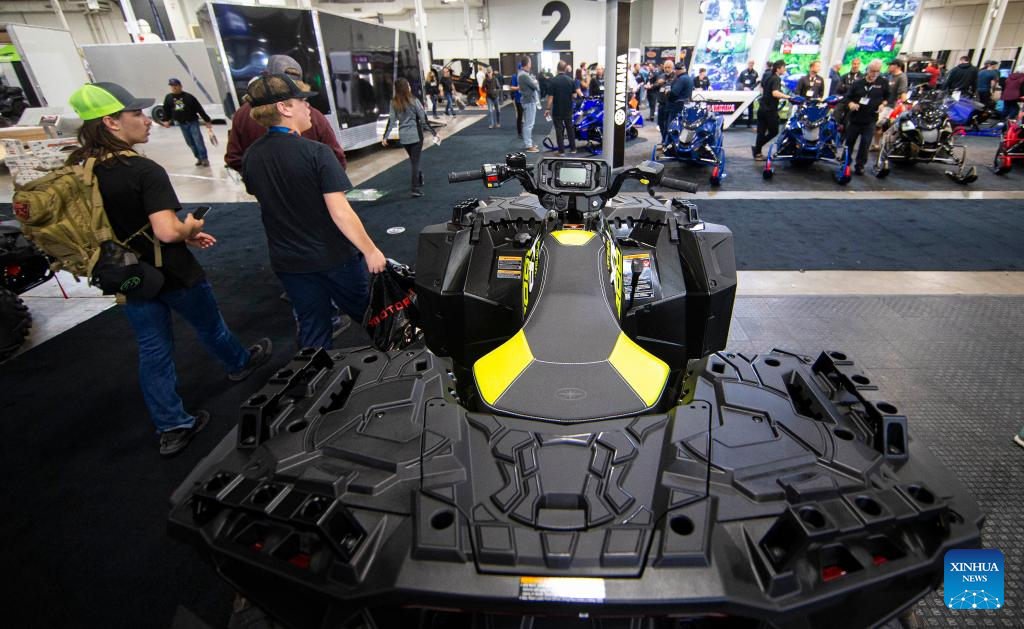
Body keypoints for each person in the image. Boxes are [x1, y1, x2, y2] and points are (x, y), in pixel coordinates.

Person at [66, 81, 272, 457]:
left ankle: (172, 426)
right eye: (136, 114)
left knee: (153, 349)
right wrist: (189, 228)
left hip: (127, 275)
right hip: (173, 272)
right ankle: (240, 363)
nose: (147, 120)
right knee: (210, 326)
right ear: (111, 122)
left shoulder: (82, 170)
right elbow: (165, 230)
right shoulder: (142, 170)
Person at [242, 73, 386, 352]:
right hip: (334, 258)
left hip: (289, 262)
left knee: (313, 330)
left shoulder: (251, 156)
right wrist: (370, 251)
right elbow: (340, 212)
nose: (308, 107)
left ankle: (316, 377)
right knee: (375, 318)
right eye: (301, 101)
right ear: (284, 108)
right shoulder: (317, 153)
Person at [226, 55, 346, 172]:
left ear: (264, 77)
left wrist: (260, 178)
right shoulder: (312, 115)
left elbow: (233, 158)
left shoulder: (242, 114)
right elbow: (337, 160)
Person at [382, 78, 437, 197]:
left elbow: (391, 121)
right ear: (406, 88)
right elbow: (423, 120)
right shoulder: (414, 101)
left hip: (404, 137)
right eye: (408, 85)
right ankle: (415, 188)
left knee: (414, 159)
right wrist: (434, 133)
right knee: (415, 162)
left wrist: (385, 137)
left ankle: (420, 177)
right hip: (416, 136)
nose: (410, 87)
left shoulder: (393, 102)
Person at [845, 59, 889, 175]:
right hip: (855, 118)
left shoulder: (883, 83)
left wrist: (883, 104)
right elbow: (847, 97)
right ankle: (845, 162)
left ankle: (860, 165)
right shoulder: (858, 83)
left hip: (870, 119)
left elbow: (887, 97)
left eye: (877, 71)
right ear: (867, 70)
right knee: (849, 143)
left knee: (865, 144)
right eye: (872, 71)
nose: (874, 73)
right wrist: (851, 104)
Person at [158, 78, 213, 167]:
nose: (173, 88)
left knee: (198, 140)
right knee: (190, 142)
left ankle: (204, 158)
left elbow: (199, 109)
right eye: (172, 86)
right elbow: (166, 110)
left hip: (192, 122)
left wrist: (207, 120)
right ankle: (198, 158)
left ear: (180, 86)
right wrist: (166, 120)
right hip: (181, 123)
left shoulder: (188, 97)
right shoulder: (169, 98)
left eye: (175, 85)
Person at [753, 60, 790, 160]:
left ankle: (757, 153)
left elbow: (763, 87)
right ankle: (757, 149)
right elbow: (775, 93)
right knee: (774, 131)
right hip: (770, 110)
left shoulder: (767, 75)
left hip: (762, 108)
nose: (785, 69)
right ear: (778, 68)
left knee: (761, 132)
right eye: (784, 67)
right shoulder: (776, 78)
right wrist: (787, 96)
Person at [545, 60, 576, 154]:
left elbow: (550, 97)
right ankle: (573, 149)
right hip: (568, 109)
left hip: (557, 110)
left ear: (557, 68)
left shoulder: (553, 81)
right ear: (565, 69)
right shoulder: (571, 80)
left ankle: (561, 151)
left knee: (559, 130)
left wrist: (547, 109)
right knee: (570, 128)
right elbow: (574, 95)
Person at [517, 56, 541, 153]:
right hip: (529, 101)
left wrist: (534, 80)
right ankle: (528, 145)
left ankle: (529, 143)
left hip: (528, 101)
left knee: (528, 124)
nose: (531, 64)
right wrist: (535, 81)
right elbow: (536, 86)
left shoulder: (523, 74)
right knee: (529, 124)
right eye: (530, 62)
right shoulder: (524, 75)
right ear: (527, 64)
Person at [655, 60, 675, 144]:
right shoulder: (661, 76)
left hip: (670, 105)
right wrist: (659, 84)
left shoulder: (675, 77)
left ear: (672, 68)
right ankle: (664, 139)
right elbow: (654, 86)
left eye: (669, 67)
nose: (667, 69)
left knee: (668, 124)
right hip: (661, 104)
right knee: (660, 123)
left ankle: (667, 141)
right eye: (665, 67)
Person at [737, 60, 759, 127]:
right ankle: (737, 121)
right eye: (750, 63)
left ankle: (750, 123)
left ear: (753, 64)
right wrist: (743, 87)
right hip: (743, 92)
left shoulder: (755, 73)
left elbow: (757, 82)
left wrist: (751, 88)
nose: (751, 64)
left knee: (750, 108)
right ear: (747, 63)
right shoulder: (743, 72)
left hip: (750, 93)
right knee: (740, 106)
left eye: (752, 63)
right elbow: (738, 82)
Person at [509, 64, 523, 135]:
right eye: (521, 69)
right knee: (519, 115)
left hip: (526, 99)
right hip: (518, 99)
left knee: (525, 116)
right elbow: (512, 87)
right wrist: (519, 88)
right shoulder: (515, 76)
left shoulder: (525, 75)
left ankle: (526, 131)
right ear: (518, 69)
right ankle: (519, 132)